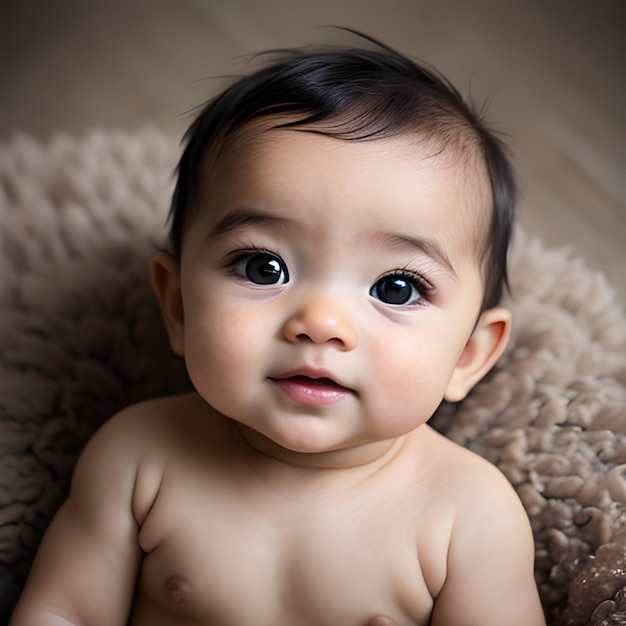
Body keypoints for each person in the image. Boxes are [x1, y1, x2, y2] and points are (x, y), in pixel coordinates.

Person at [10, 33, 546, 626]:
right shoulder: (138, 456)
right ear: (180, 307)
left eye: (396, 287)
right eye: (263, 267)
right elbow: (65, 612)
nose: (321, 323)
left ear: (467, 355)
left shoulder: (468, 516)